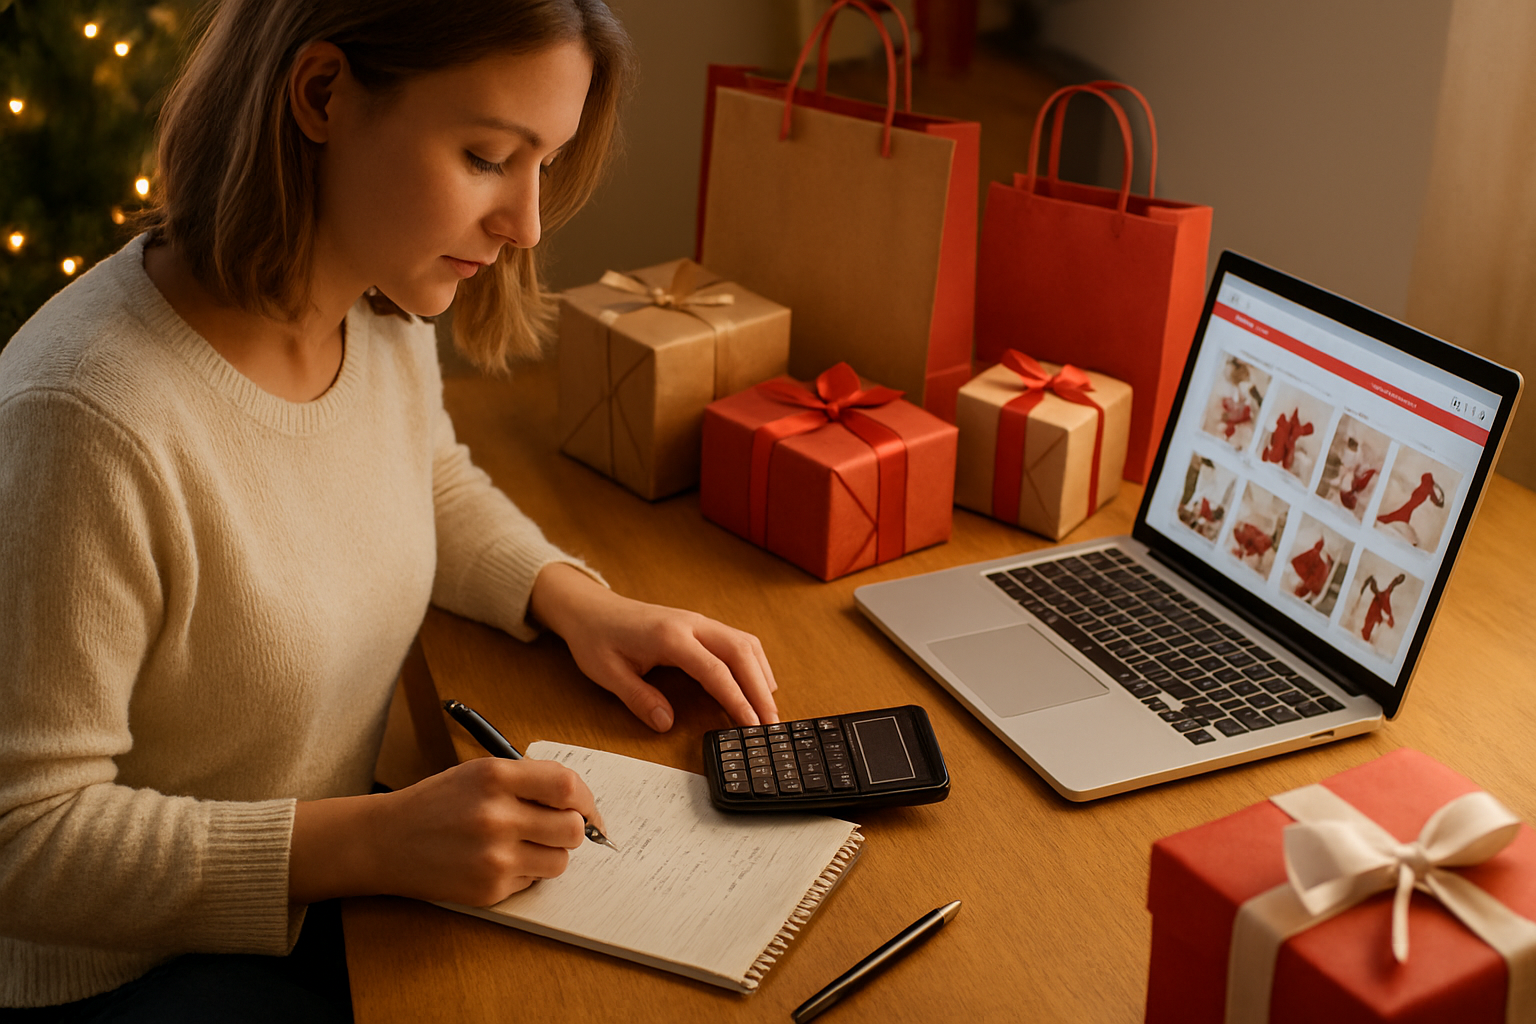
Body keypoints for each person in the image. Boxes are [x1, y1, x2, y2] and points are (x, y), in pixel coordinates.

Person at [0, 2, 779, 1019]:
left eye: (544, 162)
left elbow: (427, 478)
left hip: (313, 878)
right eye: (489, 155)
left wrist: (576, 601)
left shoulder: (377, 306)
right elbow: (25, 835)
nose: (529, 224)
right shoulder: (87, 420)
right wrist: (371, 840)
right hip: (119, 970)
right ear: (322, 95)